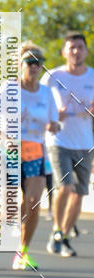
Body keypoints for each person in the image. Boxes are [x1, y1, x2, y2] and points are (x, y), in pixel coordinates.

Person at [0, 44, 60, 270]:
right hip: (9, 151)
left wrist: (54, 125)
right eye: (30, 62)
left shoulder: (47, 92)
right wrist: (3, 138)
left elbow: (54, 121)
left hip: (35, 151)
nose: (34, 66)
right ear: (20, 65)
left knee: (33, 203)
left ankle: (22, 253)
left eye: (38, 62)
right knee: (11, 207)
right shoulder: (8, 88)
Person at [43, 32, 94, 258]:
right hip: (59, 141)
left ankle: (62, 236)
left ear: (86, 51)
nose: (75, 51)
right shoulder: (52, 77)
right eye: (71, 47)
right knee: (65, 187)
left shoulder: (93, 76)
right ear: (64, 52)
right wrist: (52, 118)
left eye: (80, 47)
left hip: (84, 142)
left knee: (79, 193)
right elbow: (37, 105)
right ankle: (56, 228)